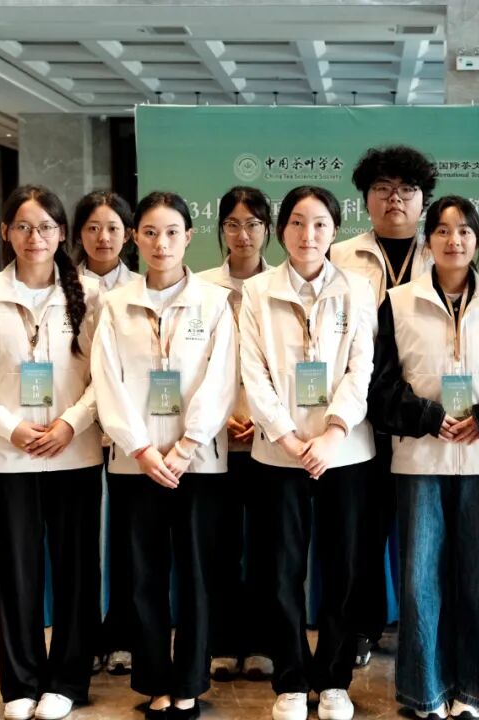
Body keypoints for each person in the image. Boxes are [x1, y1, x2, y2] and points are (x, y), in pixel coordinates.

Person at [368, 196, 479, 719]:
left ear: (477, 239)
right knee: (421, 580)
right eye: (441, 230)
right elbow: (381, 386)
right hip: (420, 461)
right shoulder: (398, 302)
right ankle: (426, 692)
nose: (453, 240)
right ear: (428, 239)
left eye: (464, 231)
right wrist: (426, 416)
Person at [0, 185, 103, 720]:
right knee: (17, 567)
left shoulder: (90, 293)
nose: (34, 237)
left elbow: (105, 375)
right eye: (22, 226)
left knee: (75, 568)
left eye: (44, 227)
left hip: (74, 450)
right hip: (8, 454)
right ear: (5, 232)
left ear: (61, 234)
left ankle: (67, 681)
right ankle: (20, 681)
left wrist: (70, 423)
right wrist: (8, 427)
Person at [91, 191, 238, 719]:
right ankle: (155, 679)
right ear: (135, 238)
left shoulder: (214, 303)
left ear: (189, 237)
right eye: (150, 233)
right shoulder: (115, 305)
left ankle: (191, 681)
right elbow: (107, 381)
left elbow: (222, 379)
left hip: (198, 461)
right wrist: (141, 448)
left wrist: (187, 445)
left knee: (197, 574)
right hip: (136, 463)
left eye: (172, 232)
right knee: (144, 574)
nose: (161, 243)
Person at [238, 186, 377, 720]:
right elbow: (253, 372)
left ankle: (335, 679)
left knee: (343, 570)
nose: (308, 234)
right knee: (281, 570)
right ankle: (291, 679)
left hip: (345, 452)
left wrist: (334, 432)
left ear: (334, 230)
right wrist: (289, 438)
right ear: (281, 231)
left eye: (320, 224)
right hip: (280, 454)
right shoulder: (258, 291)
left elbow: (361, 367)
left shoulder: (358, 288)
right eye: (297, 223)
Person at [329, 145, 439, 666]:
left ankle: (425, 627)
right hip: (357, 417)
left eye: (406, 190)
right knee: (361, 531)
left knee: (423, 531)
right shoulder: (339, 256)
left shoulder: (442, 250)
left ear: (423, 201)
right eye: (382, 189)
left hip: (421, 413)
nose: (395, 199)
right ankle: (361, 626)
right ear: (365, 200)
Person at [196, 186, 275, 681]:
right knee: (218, 546)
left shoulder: (281, 285)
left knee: (268, 547)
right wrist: (219, 415)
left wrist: (264, 417)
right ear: (220, 229)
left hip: (269, 439)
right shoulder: (202, 288)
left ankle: (263, 642)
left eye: (252, 224)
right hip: (215, 438)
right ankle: (222, 642)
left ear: (268, 229)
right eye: (232, 224)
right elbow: (192, 364)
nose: (242, 234)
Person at [71, 189, 139, 677]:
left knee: (126, 536)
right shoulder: (59, 287)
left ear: (129, 234)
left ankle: (122, 634)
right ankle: (83, 637)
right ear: (78, 234)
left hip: (126, 428)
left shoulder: (141, 287)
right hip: (72, 428)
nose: (103, 237)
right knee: (80, 538)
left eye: (113, 228)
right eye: (93, 228)